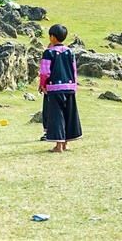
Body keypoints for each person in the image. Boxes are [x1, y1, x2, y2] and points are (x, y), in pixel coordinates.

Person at [39, 24, 82, 153]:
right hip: (69, 86)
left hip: (55, 88)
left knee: (57, 115)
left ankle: (58, 145)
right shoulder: (70, 52)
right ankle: (66, 144)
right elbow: (74, 70)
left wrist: (42, 85)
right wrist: (74, 85)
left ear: (52, 37)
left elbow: (44, 72)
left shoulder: (48, 52)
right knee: (69, 114)